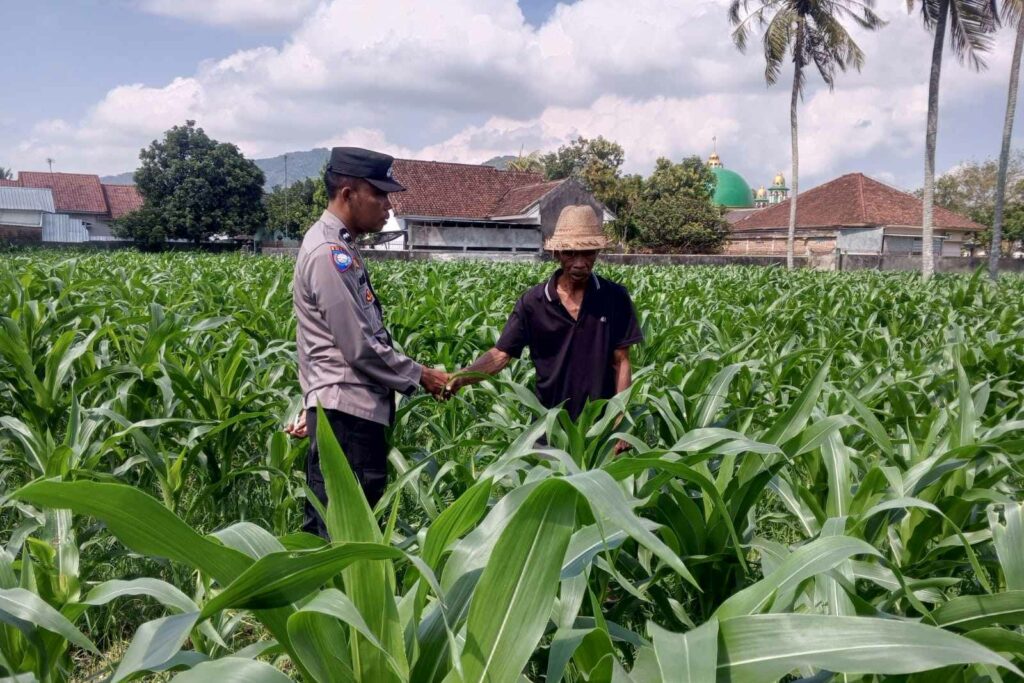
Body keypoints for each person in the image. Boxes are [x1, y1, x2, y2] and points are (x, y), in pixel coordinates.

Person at [288, 146, 448, 538]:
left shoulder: (340, 245)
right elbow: (357, 346)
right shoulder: (330, 253)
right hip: (348, 420)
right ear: (348, 193)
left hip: (345, 415)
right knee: (341, 537)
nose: (388, 206)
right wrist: (421, 375)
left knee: (344, 531)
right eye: (379, 194)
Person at [446, 205, 642, 452]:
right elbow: (501, 354)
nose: (580, 263)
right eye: (571, 253)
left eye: (588, 253)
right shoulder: (533, 302)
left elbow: (621, 361)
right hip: (549, 427)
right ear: (557, 253)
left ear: (597, 252)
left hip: (599, 428)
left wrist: (619, 423)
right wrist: (460, 378)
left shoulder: (615, 297)